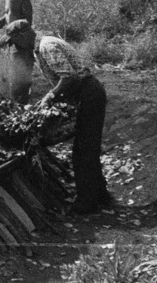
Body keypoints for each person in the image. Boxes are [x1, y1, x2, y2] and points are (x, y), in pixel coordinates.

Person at [18, 23, 112, 215]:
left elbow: (70, 78)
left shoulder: (47, 46)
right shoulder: (41, 48)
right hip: (85, 94)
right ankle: (100, 195)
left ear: (24, 36)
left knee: (83, 151)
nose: (17, 47)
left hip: (89, 93)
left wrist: (50, 96)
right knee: (87, 147)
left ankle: (87, 203)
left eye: (16, 42)